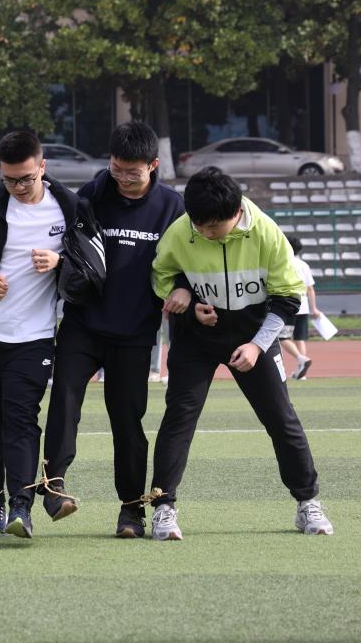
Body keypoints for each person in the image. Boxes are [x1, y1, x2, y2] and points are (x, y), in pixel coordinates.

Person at [149, 166, 333, 539]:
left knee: (281, 418)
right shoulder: (182, 230)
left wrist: (257, 344)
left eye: (213, 226)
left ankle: (308, 503)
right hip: (196, 338)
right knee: (179, 418)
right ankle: (163, 508)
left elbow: (287, 297)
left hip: (254, 333)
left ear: (236, 212)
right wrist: (185, 298)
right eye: (198, 225)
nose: (205, 233)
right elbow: (160, 274)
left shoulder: (267, 233)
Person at [41, 122, 186, 538]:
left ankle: (131, 509)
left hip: (135, 332)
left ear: (153, 165)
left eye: (132, 172)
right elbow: (68, 242)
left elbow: (187, 260)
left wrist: (183, 288)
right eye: (116, 168)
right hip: (83, 323)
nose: (122, 177)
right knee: (64, 398)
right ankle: (53, 486)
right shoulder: (93, 194)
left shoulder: (171, 207)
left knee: (127, 422)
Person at [0, 131, 94, 539]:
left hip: (33, 337)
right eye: (9, 179)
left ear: (42, 167)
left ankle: (21, 505)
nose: (18, 187)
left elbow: (92, 265)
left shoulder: (70, 207)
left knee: (21, 419)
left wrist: (59, 262)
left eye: (26, 179)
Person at [278, 236, 319, 380]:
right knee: (299, 338)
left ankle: (301, 359)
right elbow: (310, 289)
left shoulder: (283, 262)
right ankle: (302, 373)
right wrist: (314, 308)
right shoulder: (303, 265)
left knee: (282, 337)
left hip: (289, 305)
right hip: (304, 306)